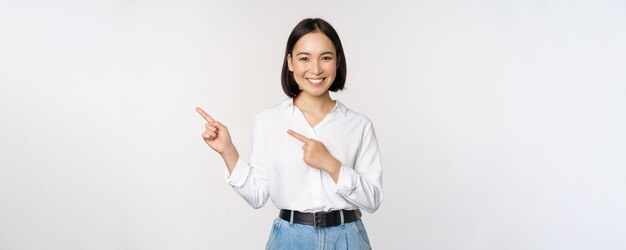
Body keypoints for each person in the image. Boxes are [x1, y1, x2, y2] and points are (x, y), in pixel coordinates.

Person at [196, 18, 383, 250]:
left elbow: (373, 200)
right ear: (290, 62)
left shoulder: (359, 125)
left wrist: (332, 165)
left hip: (347, 238)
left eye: (325, 57)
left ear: (338, 61)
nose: (315, 69)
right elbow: (257, 196)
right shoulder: (268, 121)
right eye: (304, 58)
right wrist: (228, 151)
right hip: (290, 239)